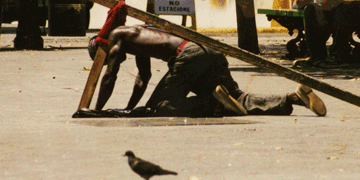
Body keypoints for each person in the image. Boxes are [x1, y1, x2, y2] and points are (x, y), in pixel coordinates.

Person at [88, 24, 326, 117]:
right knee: (239, 97)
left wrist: (96, 110)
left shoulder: (116, 35)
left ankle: (213, 104)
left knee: (157, 108)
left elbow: (110, 74)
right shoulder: (137, 33)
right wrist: (129, 107)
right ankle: (293, 97)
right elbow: (144, 77)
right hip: (208, 51)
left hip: (189, 56)